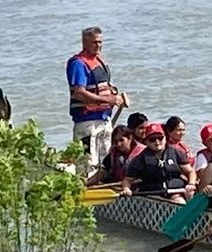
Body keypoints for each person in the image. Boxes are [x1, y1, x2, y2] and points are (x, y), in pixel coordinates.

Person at [67, 26, 122, 173]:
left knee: (105, 159)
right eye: (94, 42)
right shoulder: (79, 63)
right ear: (85, 42)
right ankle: (86, 187)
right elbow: (79, 93)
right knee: (88, 162)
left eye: (100, 42)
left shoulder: (99, 61)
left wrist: (113, 93)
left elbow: (102, 85)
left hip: (104, 118)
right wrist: (106, 100)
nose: (98, 45)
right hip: (87, 121)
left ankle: (104, 186)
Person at [121, 123, 196, 204]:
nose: (157, 142)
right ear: (146, 141)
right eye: (152, 140)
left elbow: (190, 171)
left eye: (160, 138)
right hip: (153, 194)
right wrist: (126, 189)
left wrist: (191, 183)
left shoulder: (175, 152)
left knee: (180, 203)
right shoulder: (140, 158)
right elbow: (127, 180)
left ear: (165, 138)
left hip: (175, 191)